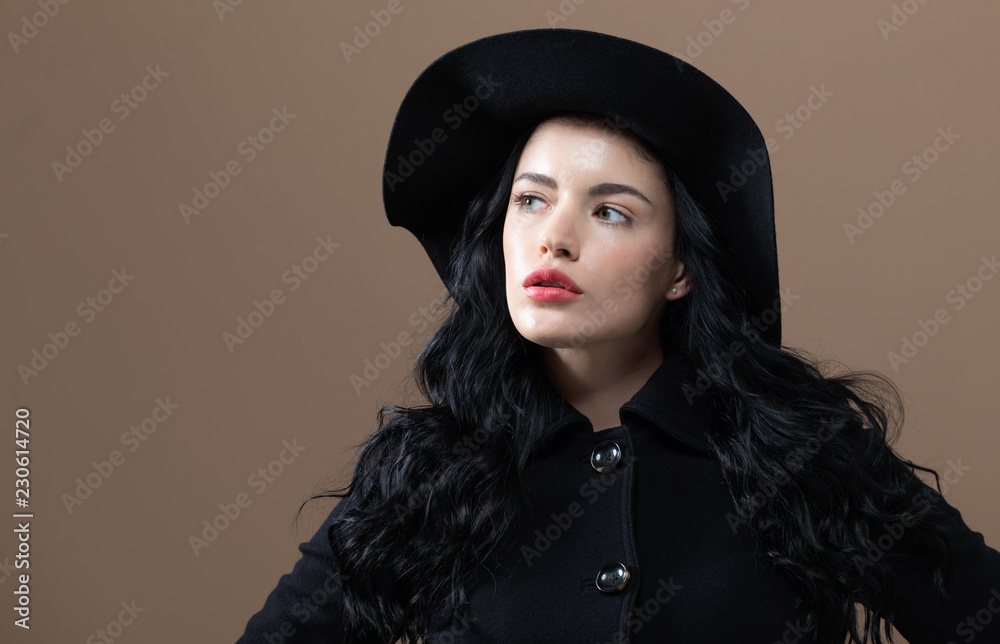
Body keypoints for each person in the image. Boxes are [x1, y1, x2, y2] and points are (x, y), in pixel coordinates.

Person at [237, 28, 1000, 644]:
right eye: (531, 201)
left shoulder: (804, 451)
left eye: (610, 212)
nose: (553, 240)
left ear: (680, 269)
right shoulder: (421, 477)